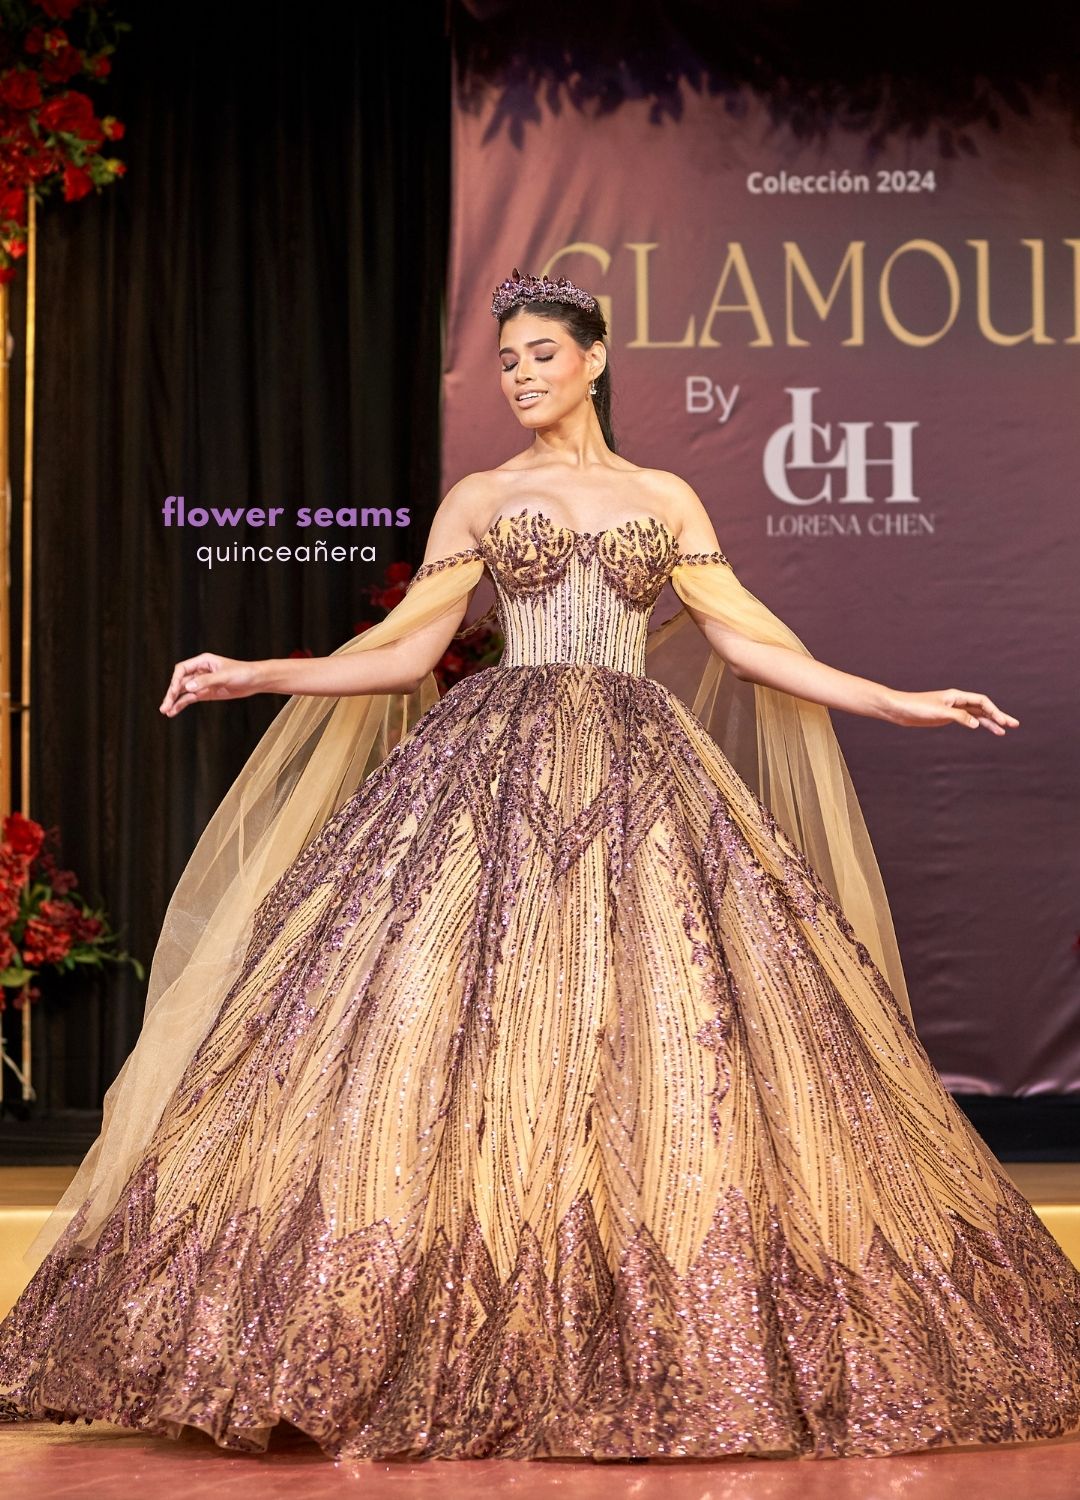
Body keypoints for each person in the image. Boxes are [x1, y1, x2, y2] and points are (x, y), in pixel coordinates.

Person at [1, 267, 1078, 1465]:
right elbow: (408, 654)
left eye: (541, 355)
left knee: (678, 1035)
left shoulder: (664, 497)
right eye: (506, 359)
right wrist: (260, 673)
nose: (519, 375)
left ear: (596, 359)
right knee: (416, 1024)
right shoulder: (478, 498)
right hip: (490, 771)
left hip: (639, 773)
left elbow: (747, 640)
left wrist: (893, 698)